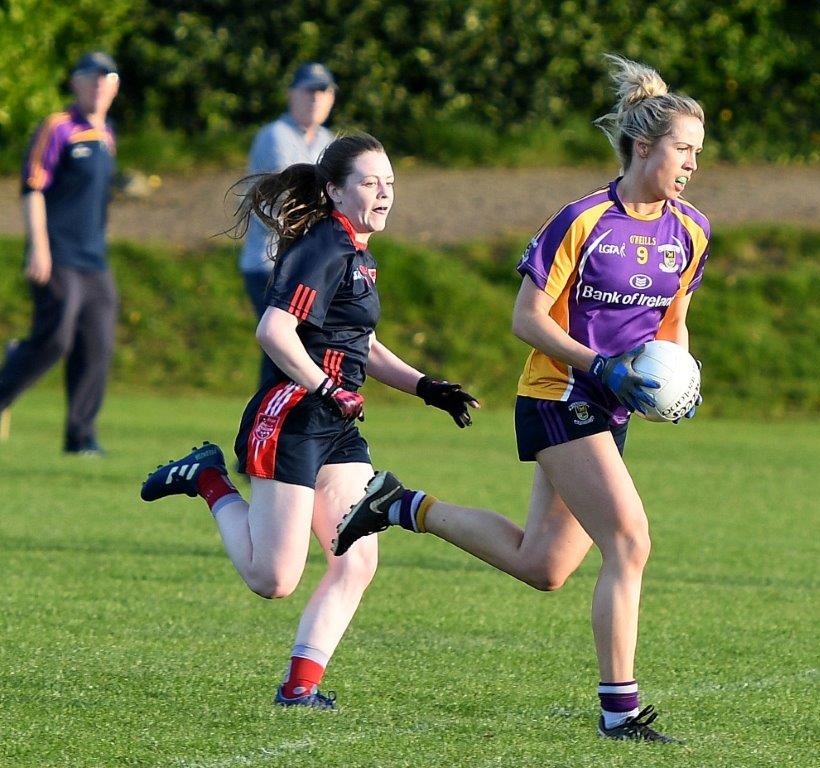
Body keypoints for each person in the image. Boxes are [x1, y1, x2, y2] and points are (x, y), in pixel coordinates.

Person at [333, 54, 710, 742]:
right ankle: (619, 713)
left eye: (697, 153)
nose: (691, 165)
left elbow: (672, 324)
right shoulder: (582, 220)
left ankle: (400, 504)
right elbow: (526, 319)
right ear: (644, 145)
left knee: (546, 565)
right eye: (683, 149)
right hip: (558, 394)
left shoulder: (690, 230)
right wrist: (603, 365)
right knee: (630, 541)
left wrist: (680, 376)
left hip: (611, 406)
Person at [140, 133, 478, 709]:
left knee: (357, 557)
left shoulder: (358, 250)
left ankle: (301, 687)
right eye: (370, 182)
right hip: (293, 418)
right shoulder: (323, 246)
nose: (384, 193)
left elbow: (359, 343)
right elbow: (274, 331)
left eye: (390, 182)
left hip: (337, 425)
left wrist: (424, 386)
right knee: (273, 581)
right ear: (334, 191)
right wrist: (324, 385)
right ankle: (207, 479)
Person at [0, 51, 121, 455]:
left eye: (106, 79)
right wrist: (39, 246)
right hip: (58, 254)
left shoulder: (107, 134)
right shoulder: (58, 127)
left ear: (115, 87)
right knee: (55, 339)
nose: (99, 85)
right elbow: (33, 186)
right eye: (91, 78)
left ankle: (80, 436)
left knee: (98, 343)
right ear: (76, 83)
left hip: (94, 260)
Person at [240, 62, 337, 384]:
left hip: (305, 264)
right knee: (281, 350)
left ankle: (275, 427)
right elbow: (292, 205)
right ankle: (265, 429)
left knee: (294, 352)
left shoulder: (327, 140)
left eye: (322, 92)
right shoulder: (274, 136)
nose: (315, 99)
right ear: (291, 95)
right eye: (308, 91)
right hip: (268, 263)